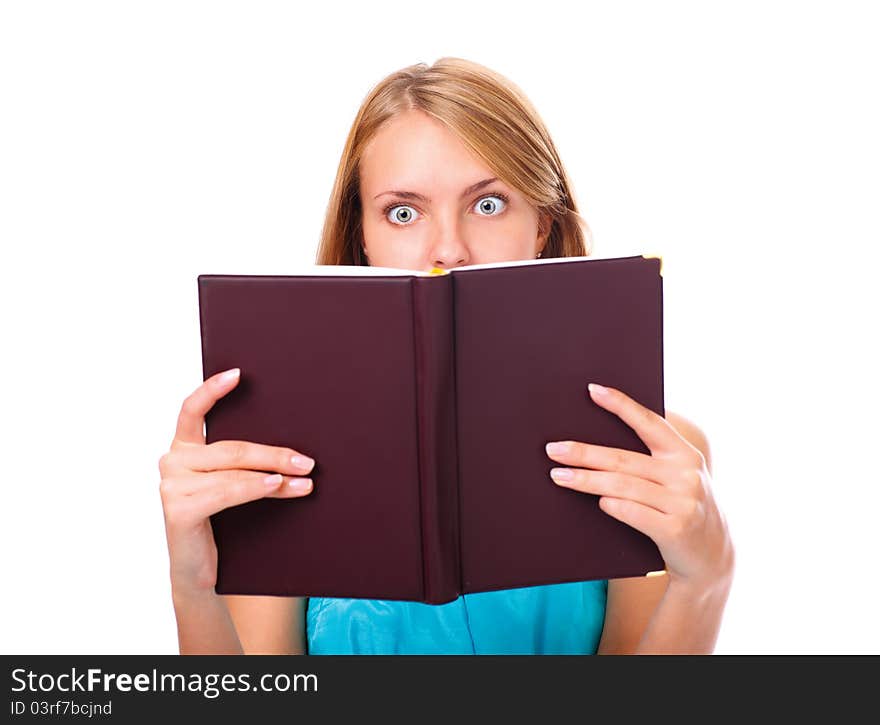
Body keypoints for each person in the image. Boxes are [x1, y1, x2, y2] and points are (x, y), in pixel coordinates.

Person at [159, 57, 734, 655]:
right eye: (403, 213)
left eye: (488, 204)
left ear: (542, 223)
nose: (448, 249)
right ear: (363, 236)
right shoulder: (278, 454)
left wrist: (705, 581)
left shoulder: (651, 453)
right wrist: (191, 588)